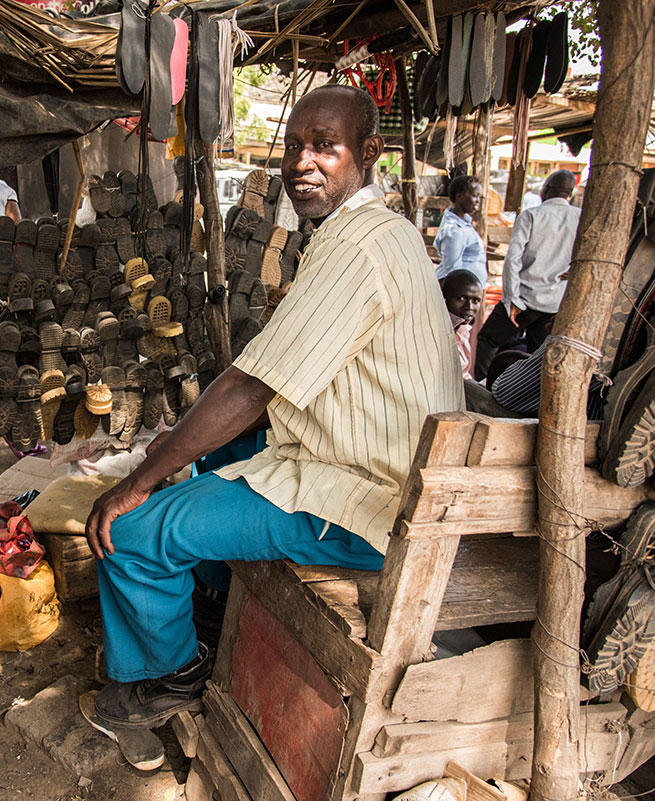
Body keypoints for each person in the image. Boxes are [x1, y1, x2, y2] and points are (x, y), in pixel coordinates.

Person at [80, 85, 463, 734]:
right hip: (383, 477)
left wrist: (135, 482)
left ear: (368, 153)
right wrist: (180, 444)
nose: (299, 162)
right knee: (208, 456)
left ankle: (166, 676)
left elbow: (252, 387)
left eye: (324, 146)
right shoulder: (381, 231)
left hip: (363, 508)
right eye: (293, 144)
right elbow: (281, 383)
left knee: (132, 531)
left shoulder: (355, 246)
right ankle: (209, 602)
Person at [473, 170, 581, 380]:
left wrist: (511, 299)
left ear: (546, 189)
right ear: (569, 193)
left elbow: (513, 259)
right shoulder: (580, 217)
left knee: (488, 340)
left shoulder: (532, 215)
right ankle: (526, 396)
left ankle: (482, 388)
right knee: (538, 355)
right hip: (555, 302)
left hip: (524, 299)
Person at [434, 174, 487, 287]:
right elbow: (453, 272)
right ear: (459, 196)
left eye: (479, 197)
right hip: (462, 292)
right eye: (474, 196)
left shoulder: (464, 223)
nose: (478, 201)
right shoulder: (454, 230)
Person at [441, 269, 482, 379]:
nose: (469, 306)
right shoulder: (437, 333)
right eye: (462, 298)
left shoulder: (463, 330)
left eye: (476, 301)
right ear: (444, 298)